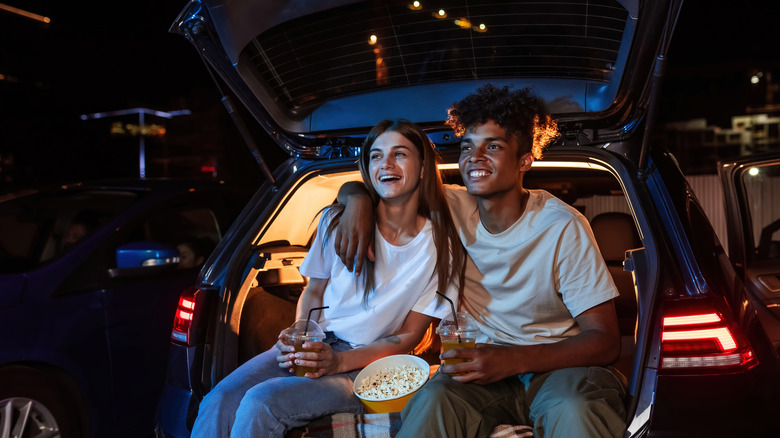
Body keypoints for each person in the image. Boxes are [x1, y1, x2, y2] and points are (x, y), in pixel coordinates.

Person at [335, 84, 626, 437]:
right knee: (432, 400)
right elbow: (386, 183)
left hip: (560, 369)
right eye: (468, 147)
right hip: (479, 372)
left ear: (524, 161)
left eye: (493, 146)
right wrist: (356, 201)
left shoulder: (562, 225)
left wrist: (513, 360)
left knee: (575, 409)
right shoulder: (450, 206)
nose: (475, 157)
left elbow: (605, 340)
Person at [190, 119, 464, 438]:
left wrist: (338, 362)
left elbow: (409, 336)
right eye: (375, 156)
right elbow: (314, 290)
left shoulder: (442, 247)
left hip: (371, 362)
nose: (386, 163)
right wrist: (302, 336)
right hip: (322, 342)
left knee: (260, 403)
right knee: (219, 400)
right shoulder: (334, 220)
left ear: (422, 167)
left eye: (400, 154)